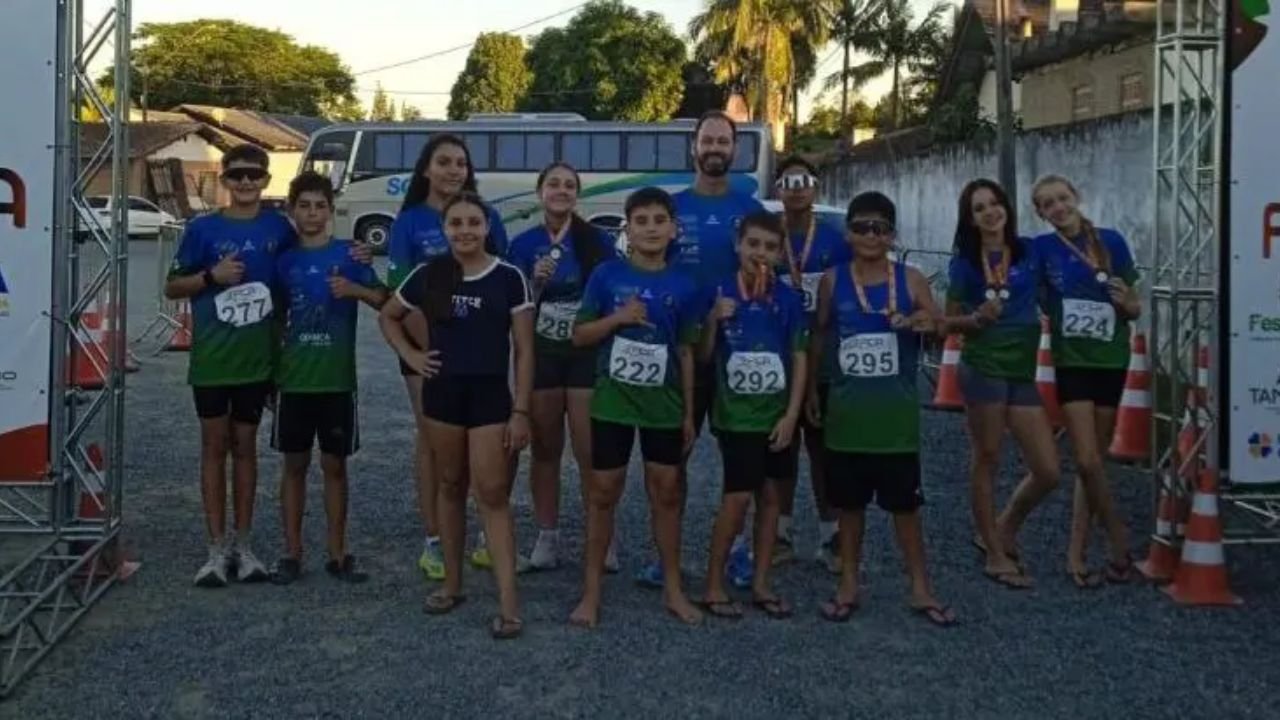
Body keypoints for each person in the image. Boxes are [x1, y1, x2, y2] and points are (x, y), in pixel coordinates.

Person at [164, 144, 368, 587]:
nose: (245, 183)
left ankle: (245, 543)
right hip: (213, 360)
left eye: (254, 175)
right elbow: (171, 287)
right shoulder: (202, 229)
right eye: (236, 175)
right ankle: (216, 548)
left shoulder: (281, 228)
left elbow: (316, 250)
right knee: (214, 449)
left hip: (260, 363)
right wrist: (209, 278)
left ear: (265, 179)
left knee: (247, 450)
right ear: (224, 178)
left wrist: (359, 257)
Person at [379, 193, 533, 639]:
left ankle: (508, 603)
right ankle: (452, 583)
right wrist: (411, 353)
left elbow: (524, 350)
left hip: (489, 398)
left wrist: (520, 410)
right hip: (442, 396)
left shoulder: (509, 278)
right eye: (455, 224)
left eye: (473, 223)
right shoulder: (430, 273)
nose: (464, 231)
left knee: (492, 493)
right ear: (445, 230)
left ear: (487, 227)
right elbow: (389, 316)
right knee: (449, 485)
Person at [808, 191, 956, 627]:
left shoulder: (910, 279)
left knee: (905, 509)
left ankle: (920, 588)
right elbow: (820, 336)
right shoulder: (833, 281)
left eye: (880, 228)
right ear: (848, 233)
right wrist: (814, 392)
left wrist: (925, 324)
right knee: (848, 509)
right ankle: (849, 584)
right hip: (847, 416)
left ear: (892, 235)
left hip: (895, 419)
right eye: (861, 227)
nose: (870, 235)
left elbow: (939, 327)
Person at [636, 110, 765, 590]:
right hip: (681, 354)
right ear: (694, 147)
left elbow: (768, 271)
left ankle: (737, 550)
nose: (715, 148)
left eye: (723, 141)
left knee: (741, 458)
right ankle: (665, 554)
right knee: (674, 458)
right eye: (707, 140)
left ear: (734, 149)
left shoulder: (751, 209)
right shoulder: (671, 209)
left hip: (739, 354)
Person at [569, 187, 703, 628]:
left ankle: (672, 589)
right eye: (641, 220)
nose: (650, 228)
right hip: (613, 405)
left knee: (665, 493)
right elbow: (580, 335)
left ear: (672, 228)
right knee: (602, 494)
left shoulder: (685, 284)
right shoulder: (606, 276)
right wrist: (618, 319)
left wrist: (687, 412)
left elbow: (686, 352)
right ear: (628, 228)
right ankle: (591, 594)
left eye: (658, 220)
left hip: (662, 407)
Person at [388, 134, 510, 579]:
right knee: (433, 442)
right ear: (426, 170)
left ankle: (481, 533)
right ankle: (435, 540)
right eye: (443, 162)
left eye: (461, 162)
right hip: (427, 352)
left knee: (483, 442)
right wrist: (428, 345)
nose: (453, 169)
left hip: (479, 354)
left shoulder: (487, 216)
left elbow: (504, 278)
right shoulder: (409, 222)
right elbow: (398, 296)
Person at [268, 172, 388, 585]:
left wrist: (355, 290)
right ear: (292, 210)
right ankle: (291, 552)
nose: (313, 214)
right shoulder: (283, 262)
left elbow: (385, 300)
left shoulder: (351, 256)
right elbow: (272, 318)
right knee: (294, 465)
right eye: (304, 206)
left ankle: (338, 552)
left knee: (335, 466)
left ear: (330, 210)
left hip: (337, 381)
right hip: (294, 381)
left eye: (320, 206)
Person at [943, 179, 1060, 590]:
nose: (990, 212)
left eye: (995, 204)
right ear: (970, 220)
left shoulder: (1030, 251)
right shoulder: (965, 265)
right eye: (979, 208)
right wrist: (974, 320)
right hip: (984, 368)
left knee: (1048, 470)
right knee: (987, 457)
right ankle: (994, 553)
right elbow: (947, 321)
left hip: (1021, 371)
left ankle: (1003, 526)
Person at [506, 162, 619, 571]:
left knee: (590, 451)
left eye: (569, 185)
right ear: (540, 193)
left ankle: (602, 537)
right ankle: (548, 536)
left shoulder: (597, 241)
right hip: (541, 356)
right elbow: (512, 306)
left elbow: (610, 295)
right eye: (553, 184)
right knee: (546, 449)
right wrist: (534, 282)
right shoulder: (522, 245)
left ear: (577, 195)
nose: (561, 190)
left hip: (586, 356)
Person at [1030, 174, 1142, 588]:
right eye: (1047, 204)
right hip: (1072, 360)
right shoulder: (1041, 249)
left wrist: (1127, 303)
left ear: (1076, 197)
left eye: (1062, 198)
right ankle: (1119, 543)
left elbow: (1133, 306)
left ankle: (1076, 551)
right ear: (1040, 213)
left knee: (1093, 464)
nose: (1058, 207)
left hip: (1111, 358)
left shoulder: (1111, 241)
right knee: (1087, 459)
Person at [698, 211, 806, 620]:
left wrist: (792, 415)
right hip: (736, 417)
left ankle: (761, 582)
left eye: (770, 247)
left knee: (772, 498)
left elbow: (798, 358)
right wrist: (713, 320)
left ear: (780, 254)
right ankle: (713, 584)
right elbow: (705, 357)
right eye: (754, 244)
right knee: (737, 498)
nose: (761, 253)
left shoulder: (789, 299)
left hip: (776, 416)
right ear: (739, 246)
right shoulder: (721, 291)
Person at [770, 155, 851, 573]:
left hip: (823, 356)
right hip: (777, 357)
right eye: (788, 181)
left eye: (804, 181)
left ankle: (829, 535)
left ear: (815, 187)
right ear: (778, 188)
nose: (797, 188)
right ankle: (780, 534)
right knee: (781, 450)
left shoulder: (835, 239)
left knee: (823, 450)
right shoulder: (767, 235)